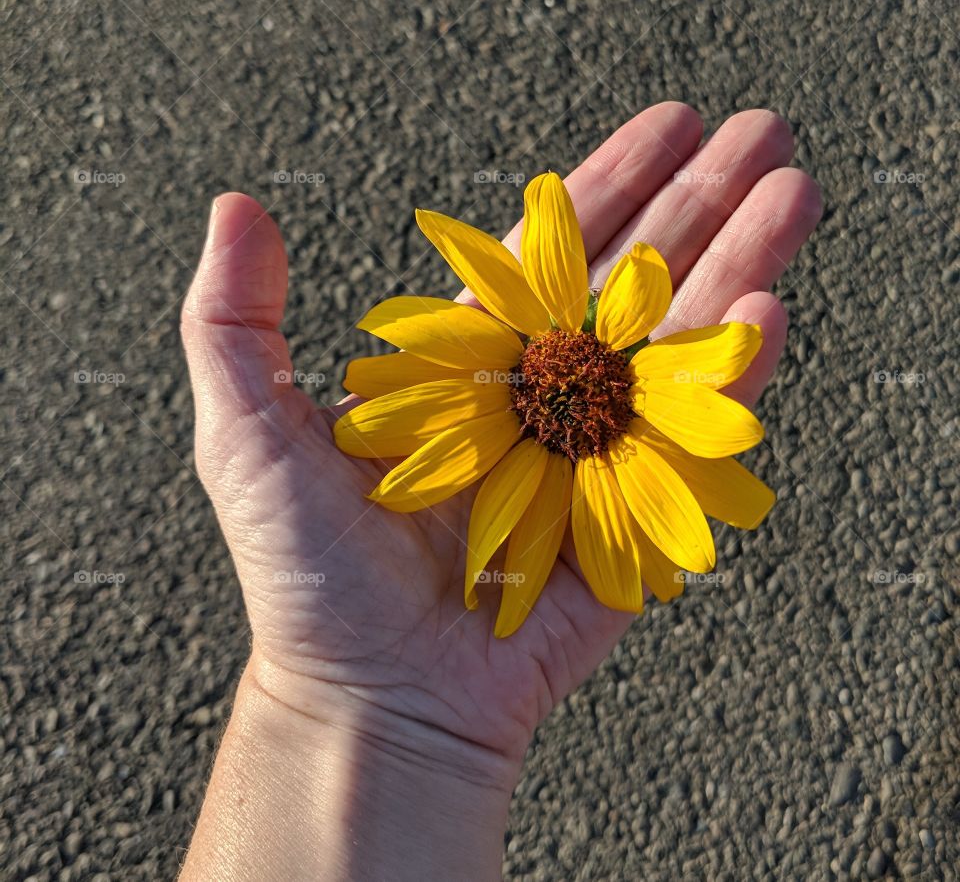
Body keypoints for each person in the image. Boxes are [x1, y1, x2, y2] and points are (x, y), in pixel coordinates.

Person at [178, 103, 822, 880]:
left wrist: (344, 707)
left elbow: (690, 456)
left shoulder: (569, 391)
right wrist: (357, 701)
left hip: (610, 391)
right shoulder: (530, 406)